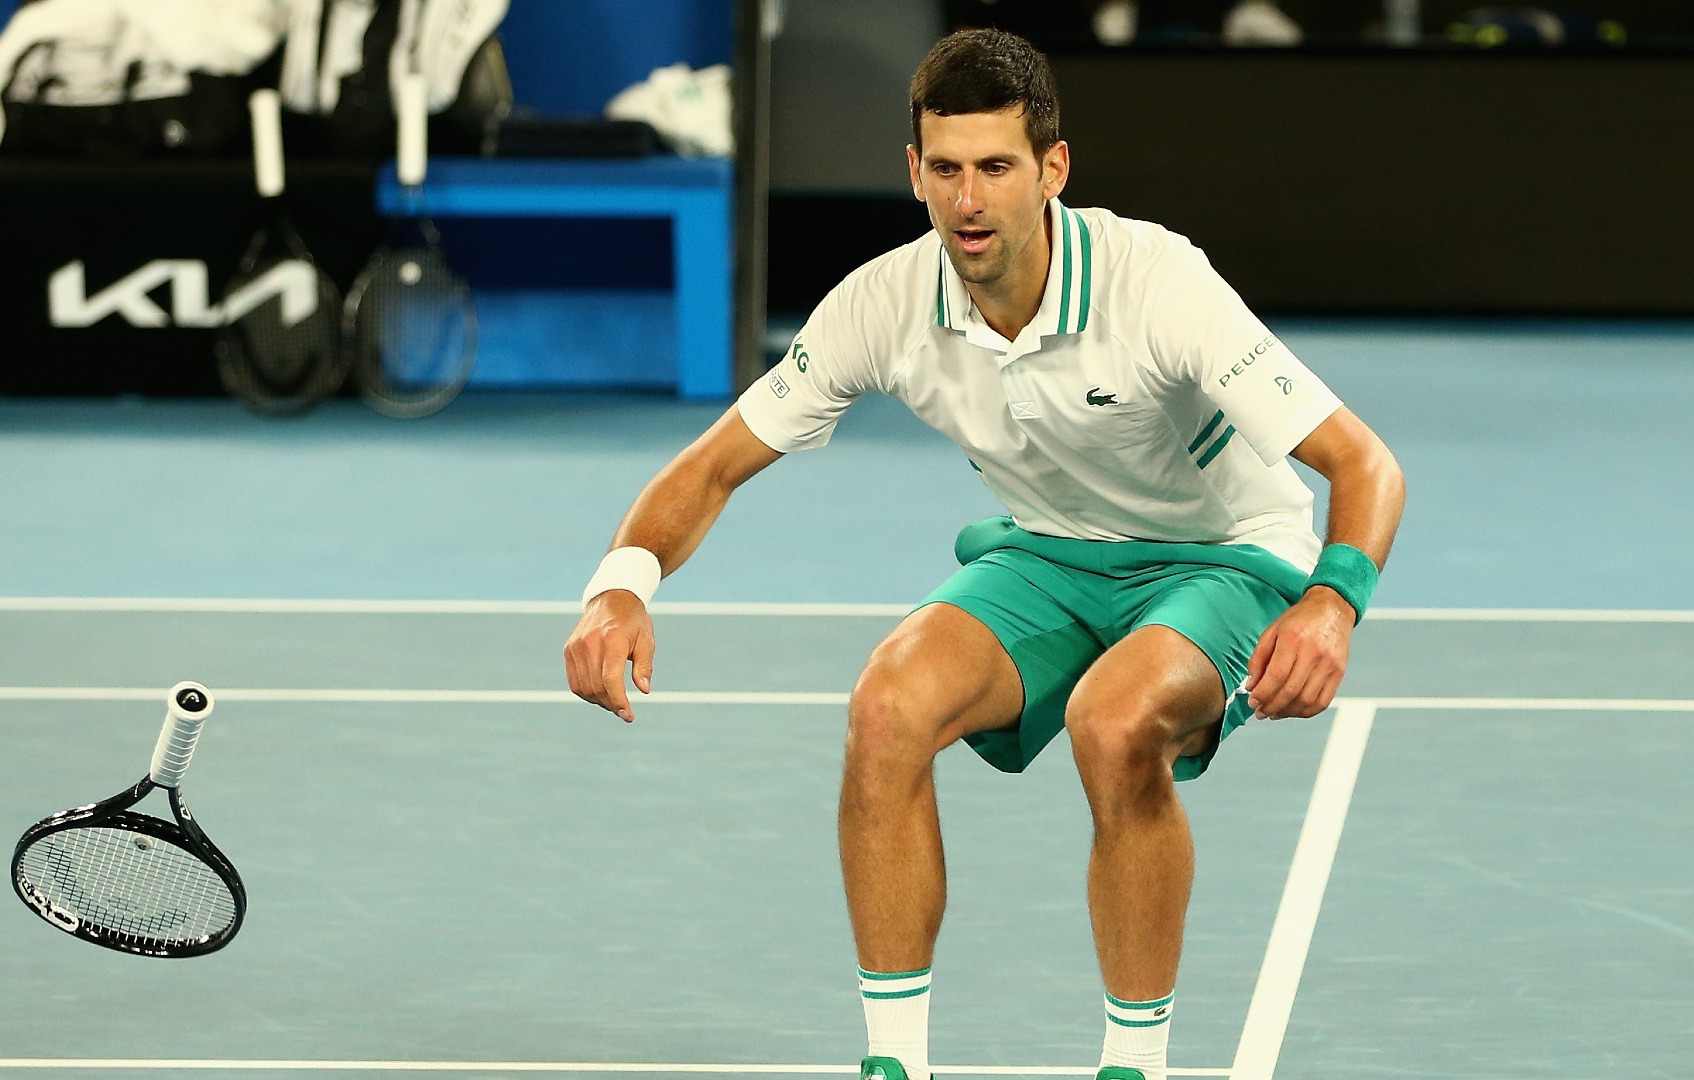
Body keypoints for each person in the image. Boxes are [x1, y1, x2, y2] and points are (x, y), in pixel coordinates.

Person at [564, 27, 1404, 1080]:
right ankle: (895, 1065)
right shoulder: (882, 303)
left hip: (1224, 556)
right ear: (914, 172)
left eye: (998, 168)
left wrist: (1331, 603)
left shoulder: (1156, 282)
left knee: (1114, 724)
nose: (970, 200)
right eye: (948, 170)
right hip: (1048, 555)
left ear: (1054, 169)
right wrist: (619, 586)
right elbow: (714, 464)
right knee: (886, 709)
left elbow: (1365, 464)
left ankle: (1134, 1064)